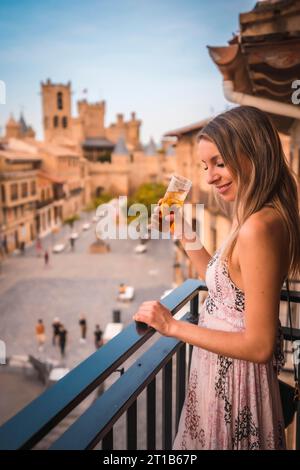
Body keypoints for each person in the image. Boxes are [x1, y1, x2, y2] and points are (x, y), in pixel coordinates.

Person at [133, 106, 300, 450]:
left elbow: (259, 345)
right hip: (226, 377)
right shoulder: (263, 215)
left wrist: (172, 326)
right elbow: (228, 291)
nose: (209, 177)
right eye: (204, 166)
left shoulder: (256, 227)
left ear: (254, 153)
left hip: (236, 387)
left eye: (219, 163)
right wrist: (184, 231)